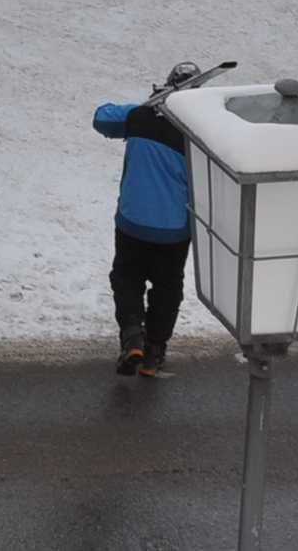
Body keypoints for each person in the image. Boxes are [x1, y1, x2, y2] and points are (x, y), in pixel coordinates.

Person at [94, 62, 205, 377]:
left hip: (132, 221)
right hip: (174, 230)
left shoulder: (139, 117)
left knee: (127, 278)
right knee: (167, 288)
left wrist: (147, 105)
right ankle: (154, 352)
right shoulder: (200, 134)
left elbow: (101, 118)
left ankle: (132, 338)